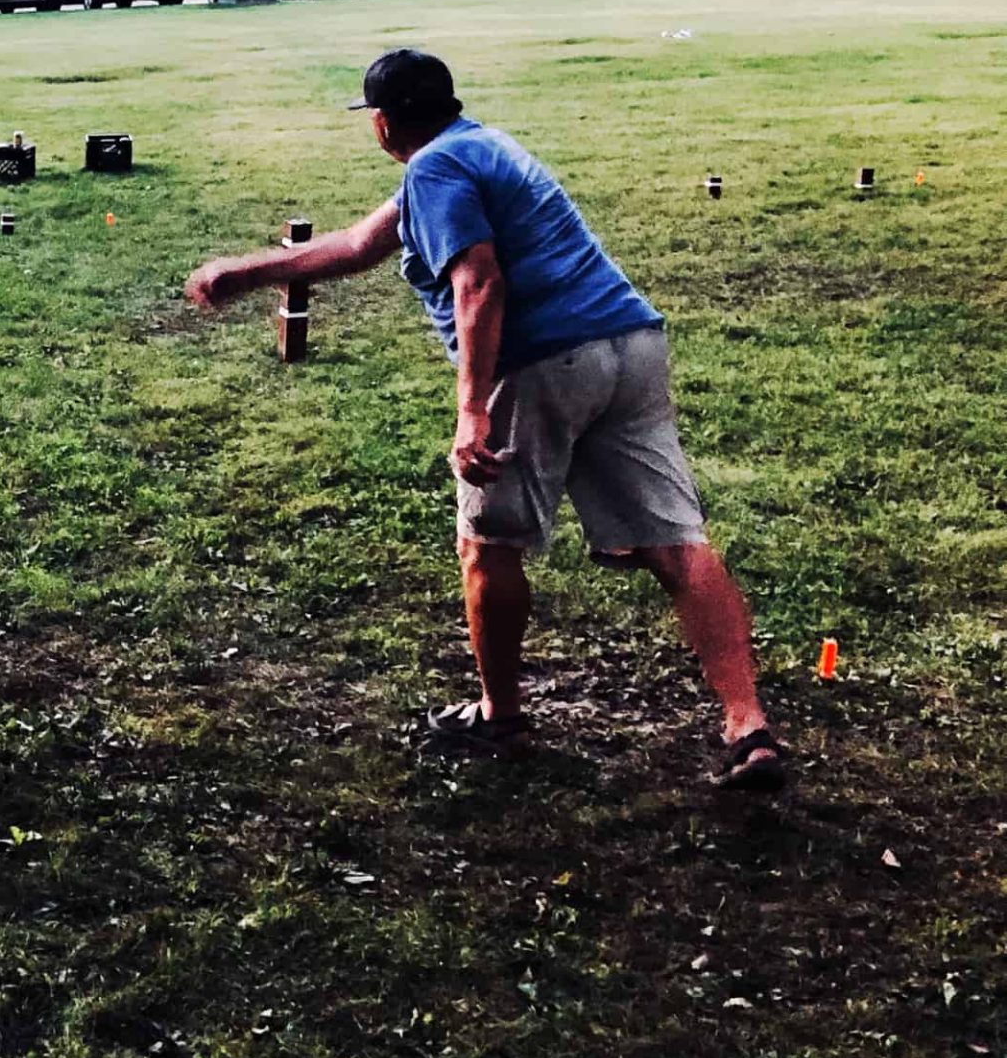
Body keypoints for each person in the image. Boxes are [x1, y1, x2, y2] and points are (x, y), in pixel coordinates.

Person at [182, 49, 788, 790]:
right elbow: (362, 244)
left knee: (488, 544)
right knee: (676, 542)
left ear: (381, 123)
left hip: (542, 365)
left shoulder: (433, 170)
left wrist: (472, 410)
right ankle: (746, 723)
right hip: (629, 346)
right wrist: (248, 272)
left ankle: (500, 715)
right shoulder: (482, 146)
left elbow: (478, 283)